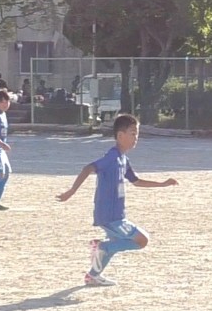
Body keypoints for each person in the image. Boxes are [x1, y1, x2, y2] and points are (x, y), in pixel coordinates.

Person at [56, 113, 179, 287]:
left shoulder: (123, 159)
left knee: (116, 244)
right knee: (142, 240)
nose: (136, 137)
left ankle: (93, 276)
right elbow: (89, 167)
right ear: (120, 135)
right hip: (110, 215)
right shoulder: (112, 157)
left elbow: (136, 181)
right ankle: (101, 247)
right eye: (132, 133)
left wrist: (163, 184)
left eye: (137, 133)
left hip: (115, 214)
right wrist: (72, 191)